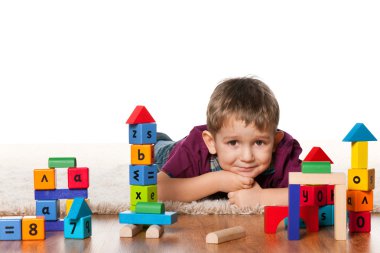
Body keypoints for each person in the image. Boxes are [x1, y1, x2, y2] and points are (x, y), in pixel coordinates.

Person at [155, 77, 302, 208]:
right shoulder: (195, 151)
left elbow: (318, 190)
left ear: (275, 142)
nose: (247, 157)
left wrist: (261, 197)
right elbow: (157, 189)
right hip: (167, 151)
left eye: (259, 142)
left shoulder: (283, 155)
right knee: (155, 148)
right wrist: (218, 181)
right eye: (233, 143)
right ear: (211, 142)